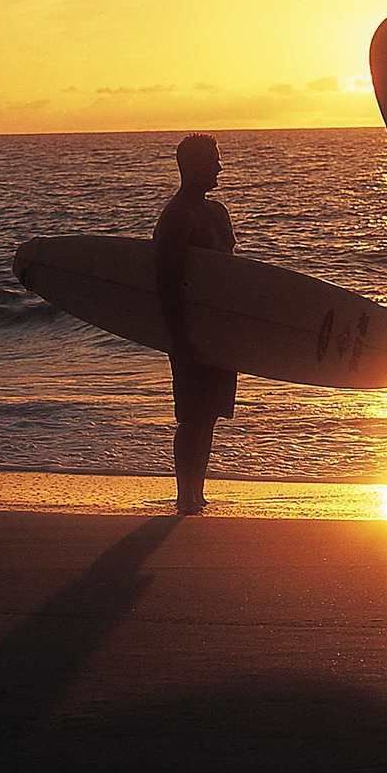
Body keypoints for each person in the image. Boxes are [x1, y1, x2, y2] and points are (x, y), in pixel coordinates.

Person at [153, 133, 237, 515]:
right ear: (193, 166)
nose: (219, 166)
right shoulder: (175, 218)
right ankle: (183, 494)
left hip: (219, 332)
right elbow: (165, 283)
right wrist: (179, 338)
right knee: (191, 415)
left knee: (211, 414)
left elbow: (232, 274)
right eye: (213, 160)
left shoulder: (217, 213)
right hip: (190, 333)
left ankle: (198, 492)